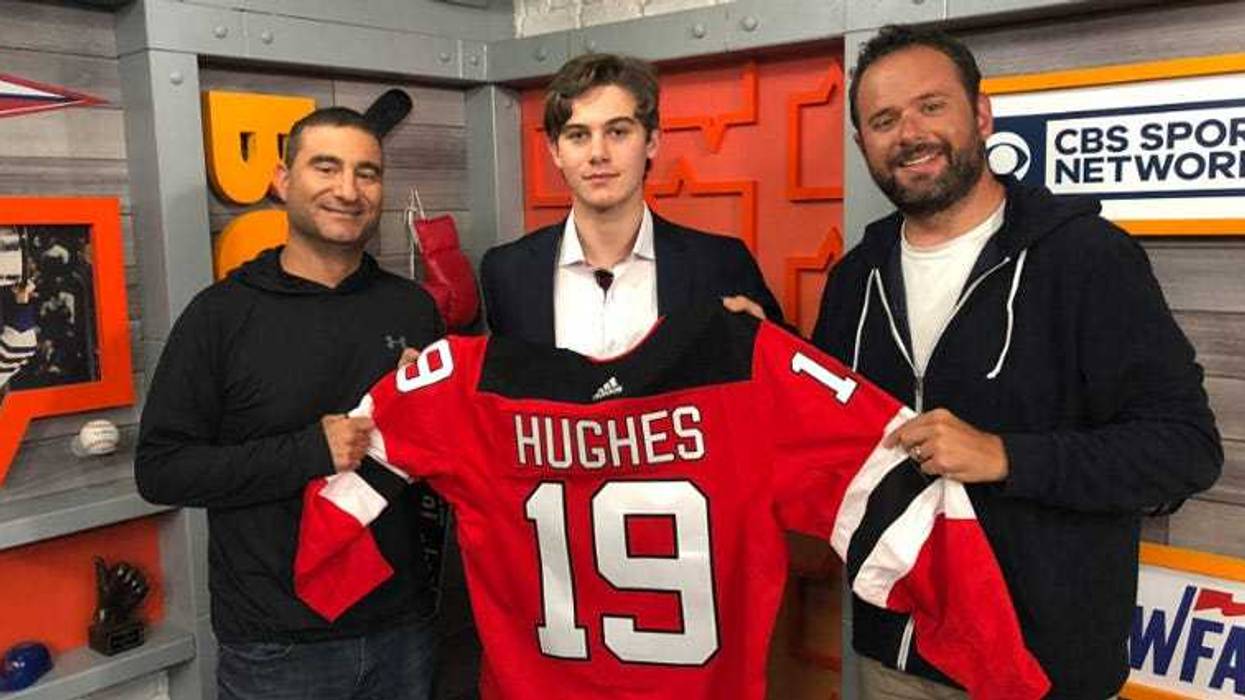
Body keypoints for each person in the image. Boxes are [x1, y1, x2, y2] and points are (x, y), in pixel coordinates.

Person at [812, 24, 1222, 700]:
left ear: (979, 114)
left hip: (1043, 668)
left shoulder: (1086, 258)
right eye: (882, 120)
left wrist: (1006, 456)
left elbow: (1185, 450)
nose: (908, 133)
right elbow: (823, 435)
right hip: (897, 656)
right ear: (863, 145)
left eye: (930, 106)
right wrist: (749, 345)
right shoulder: (856, 277)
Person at [135, 107, 443, 700]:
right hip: (276, 645)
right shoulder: (219, 316)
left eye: (367, 173)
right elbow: (161, 470)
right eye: (325, 167)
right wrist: (309, 451)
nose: (348, 190)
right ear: (282, 180)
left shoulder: (412, 309)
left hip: (403, 626)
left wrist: (434, 411)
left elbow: (437, 463)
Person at [480, 53, 782, 356]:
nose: (598, 153)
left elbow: (790, 375)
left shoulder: (722, 265)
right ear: (555, 150)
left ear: (651, 142)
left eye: (618, 132)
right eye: (578, 135)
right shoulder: (506, 272)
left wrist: (766, 343)